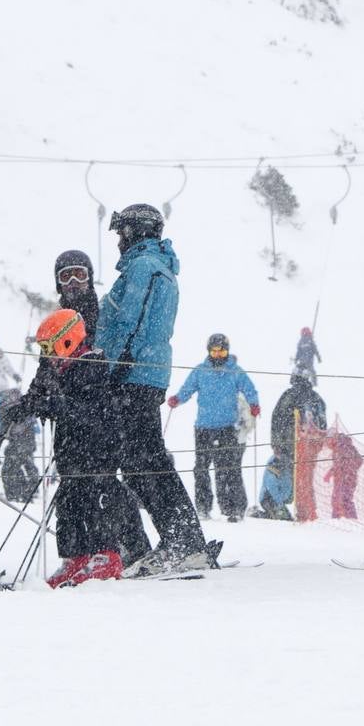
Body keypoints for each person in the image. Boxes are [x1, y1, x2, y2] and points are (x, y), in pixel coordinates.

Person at [89, 204, 209, 574]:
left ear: (135, 232)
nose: (119, 242)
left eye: (122, 233)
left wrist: (111, 365)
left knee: (144, 460)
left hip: (133, 375)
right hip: (142, 373)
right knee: (144, 459)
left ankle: (183, 540)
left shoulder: (144, 267)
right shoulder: (155, 265)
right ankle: (182, 536)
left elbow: (130, 318)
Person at [4, 308, 150, 586]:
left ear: (67, 340)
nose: (46, 353)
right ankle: (76, 557)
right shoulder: (55, 366)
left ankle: (107, 555)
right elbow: (40, 391)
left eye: (49, 346)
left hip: (98, 447)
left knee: (95, 498)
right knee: (69, 501)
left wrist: (55, 405)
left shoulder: (90, 365)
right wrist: (25, 406)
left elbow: (91, 411)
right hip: (71, 448)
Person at [169, 332, 260, 521]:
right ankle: (203, 507)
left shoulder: (235, 370)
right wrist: (178, 399)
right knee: (201, 467)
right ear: (209, 351)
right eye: (215, 351)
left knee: (225, 467)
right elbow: (188, 388)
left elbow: (249, 388)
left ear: (227, 351)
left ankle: (231, 508)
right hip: (203, 427)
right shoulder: (200, 371)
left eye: (222, 352)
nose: (218, 355)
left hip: (227, 427)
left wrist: (253, 403)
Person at [259, 367, 326, 518]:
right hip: (303, 448)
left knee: (284, 475)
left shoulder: (289, 396)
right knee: (302, 480)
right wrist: (317, 445)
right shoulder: (315, 399)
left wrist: (277, 444)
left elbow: (276, 420)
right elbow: (322, 425)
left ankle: (276, 504)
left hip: (290, 447)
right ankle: (301, 510)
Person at [327, 428, 363, 519]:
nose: (327, 443)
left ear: (333, 437)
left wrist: (348, 473)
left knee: (345, 499)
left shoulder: (342, 446)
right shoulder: (337, 448)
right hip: (341, 478)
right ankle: (336, 519)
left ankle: (352, 520)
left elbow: (357, 461)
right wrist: (330, 473)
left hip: (347, 479)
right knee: (336, 499)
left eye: (328, 440)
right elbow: (338, 464)